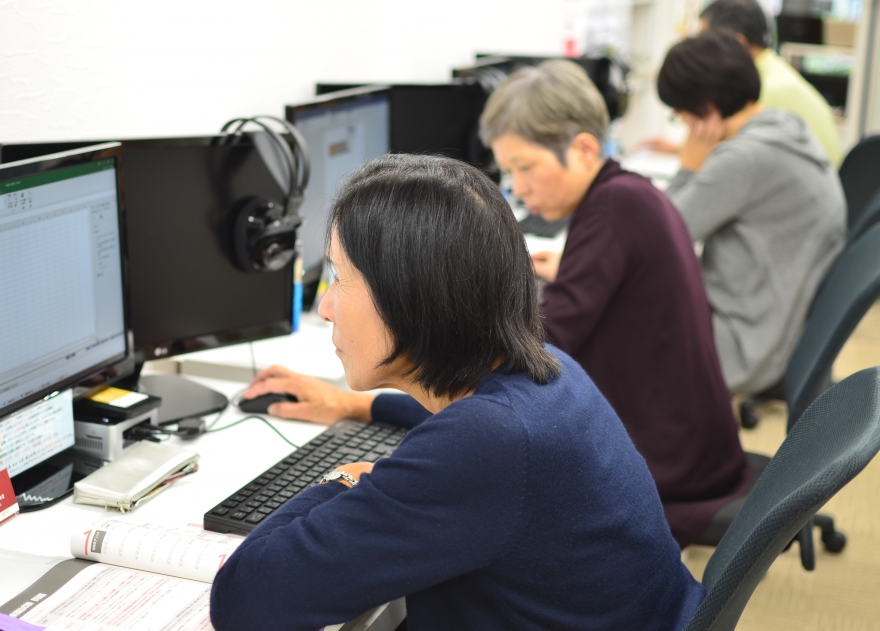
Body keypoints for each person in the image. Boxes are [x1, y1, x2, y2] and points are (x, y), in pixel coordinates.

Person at [246, 61, 749, 549]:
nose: (520, 189)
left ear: (584, 149)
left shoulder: (617, 209)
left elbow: (512, 379)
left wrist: (363, 404)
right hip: (685, 441)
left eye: (525, 168)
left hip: (669, 459)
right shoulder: (629, 196)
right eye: (508, 171)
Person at [210, 154, 705, 631]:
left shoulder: (486, 445)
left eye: (340, 277)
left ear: (411, 296)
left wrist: (341, 480)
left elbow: (244, 600)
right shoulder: (551, 373)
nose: (325, 307)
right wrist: (355, 403)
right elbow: (479, 425)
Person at [658, 30, 846, 396]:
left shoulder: (743, 159)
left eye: (679, 114)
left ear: (706, 112)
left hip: (740, 344)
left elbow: (662, 234)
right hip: (770, 323)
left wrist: (688, 167)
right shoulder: (783, 127)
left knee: (601, 314)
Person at [642, 0, 843, 169]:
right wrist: (679, 149)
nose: (701, 50)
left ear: (737, 42)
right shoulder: (772, 70)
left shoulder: (761, 89)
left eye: (707, 40)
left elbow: (731, 159)